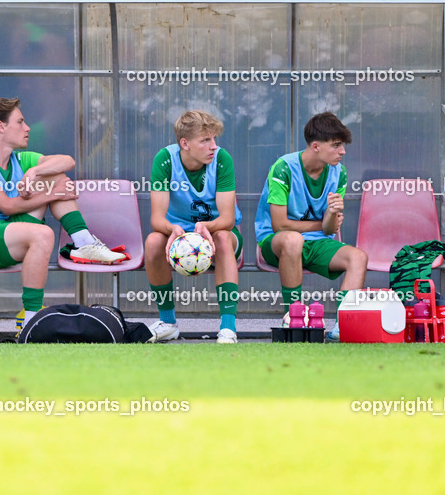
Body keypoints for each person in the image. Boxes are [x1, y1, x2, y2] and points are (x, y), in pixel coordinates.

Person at [0, 97, 127, 329]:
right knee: (43, 233)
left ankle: (83, 241)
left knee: (55, 176)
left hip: (7, 232)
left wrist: (36, 171)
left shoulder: (20, 160)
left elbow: (67, 161)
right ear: (1, 127)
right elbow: (7, 206)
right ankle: (32, 318)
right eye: (20, 122)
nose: (28, 128)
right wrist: (54, 194)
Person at [255, 111, 367, 341]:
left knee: (358, 257)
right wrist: (322, 222)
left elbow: (328, 231)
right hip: (275, 242)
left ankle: (341, 327)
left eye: (342, 145)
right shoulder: (283, 167)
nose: (343, 151)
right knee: (292, 239)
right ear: (316, 146)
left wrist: (332, 215)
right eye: (336, 145)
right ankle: (292, 317)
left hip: (318, 242)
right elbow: (279, 225)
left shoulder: (340, 173)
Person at [144, 110, 242, 344]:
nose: (213, 146)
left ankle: (228, 327)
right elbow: (157, 220)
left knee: (222, 237)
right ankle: (168, 323)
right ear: (184, 143)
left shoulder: (222, 159)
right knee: (153, 241)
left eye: (214, 139)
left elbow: (228, 219)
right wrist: (172, 229)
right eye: (206, 140)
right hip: (178, 234)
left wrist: (207, 226)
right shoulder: (164, 159)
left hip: (218, 230)